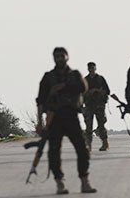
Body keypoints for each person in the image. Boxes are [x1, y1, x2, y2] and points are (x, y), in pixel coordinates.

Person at [36, 47, 97, 194]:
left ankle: (84, 181)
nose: (59, 58)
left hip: (71, 116)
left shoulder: (75, 75)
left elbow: (83, 87)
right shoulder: (48, 77)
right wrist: (40, 122)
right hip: (55, 118)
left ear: (67, 57)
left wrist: (63, 86)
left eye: (62, 56)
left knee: (82, 150)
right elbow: (41, 100)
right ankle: (60, 183)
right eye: (56, 56)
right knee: (54, 152)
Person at [84, 62, 111, 152]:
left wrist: (99, 91)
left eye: (93, 68)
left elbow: (107, 90)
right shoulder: (85, 80)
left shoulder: (100, 79)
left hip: (99, 105)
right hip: (89, 105)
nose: (91, 69)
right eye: (90, 68)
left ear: (95, 68)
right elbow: (81, 92)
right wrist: (90, 92)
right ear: (88, 69)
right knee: (88, 126)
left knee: (101, 125)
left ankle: (105, 143)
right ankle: (88, 144)